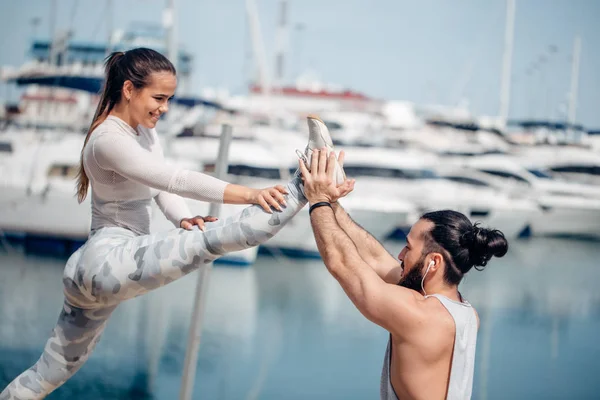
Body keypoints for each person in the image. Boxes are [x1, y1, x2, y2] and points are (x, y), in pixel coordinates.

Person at [0, 48, 343, 399]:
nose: (164, 108)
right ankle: (305, 182)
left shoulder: (145, 134)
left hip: (96, 274)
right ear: (129, 90)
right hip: (106, 261)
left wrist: (182, 218)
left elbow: (159, 188)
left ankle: (315, 175)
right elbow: (173, 179)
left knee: (46, 375)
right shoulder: (107, 140)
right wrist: (250, 194)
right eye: (159, 98)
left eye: (169, 99)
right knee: (218, 238)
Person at [298, 146, 508, 399]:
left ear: (433, 262)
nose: (399, 255)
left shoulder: (419, 315)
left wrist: (317, 199)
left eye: (408, 247)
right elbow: (375, 258)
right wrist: (333, 204)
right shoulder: (463, 313)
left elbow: (341, 263)